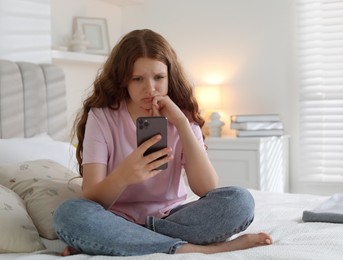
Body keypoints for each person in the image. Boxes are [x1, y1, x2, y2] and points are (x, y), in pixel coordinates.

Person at [53, 29, 272, 256]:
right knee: (69, 213)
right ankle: (194, 249)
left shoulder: (181, 116)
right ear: (123, 81)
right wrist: (125, 175)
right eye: (137, 79)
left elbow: (207, 188)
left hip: (171, 218)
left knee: (240, 201)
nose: (150, 88)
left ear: (169, 76)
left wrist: (181, 123)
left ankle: (126, 242)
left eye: (159, 77)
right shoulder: (102, 117)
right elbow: (91, 196)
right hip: (115, 218)